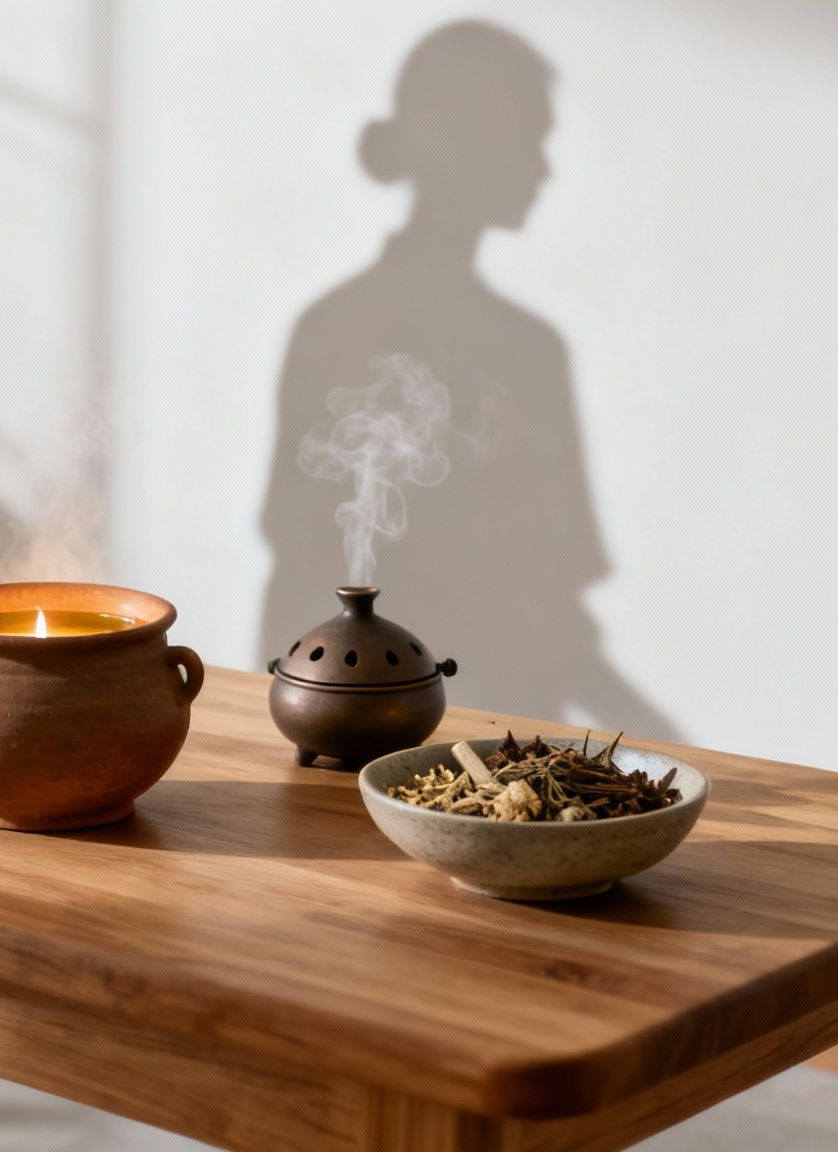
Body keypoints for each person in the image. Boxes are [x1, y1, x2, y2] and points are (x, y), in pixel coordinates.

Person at [261, 21, 672, 737]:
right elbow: (302, 568)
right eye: (530, 139)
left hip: (493, 735)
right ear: (467, 140)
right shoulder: (363, 335)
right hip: (405, 733)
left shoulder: (522, 349)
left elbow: (549, 605)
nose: (544, 169)